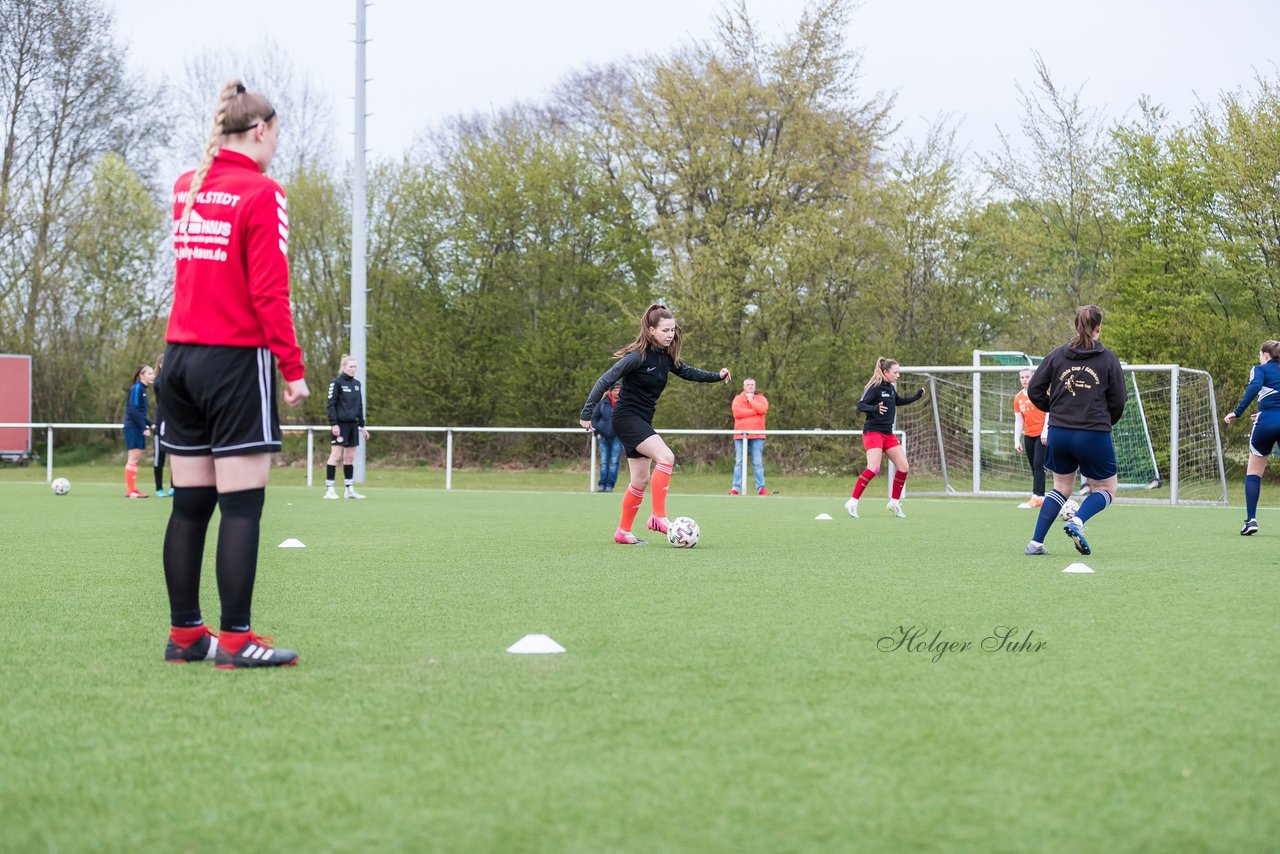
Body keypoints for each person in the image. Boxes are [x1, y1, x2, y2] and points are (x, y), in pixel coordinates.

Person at [158, 80, 309, 669]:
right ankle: (239, 641)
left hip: (181, 361)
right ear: (261, 131)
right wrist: (291, 370)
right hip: (233, 361)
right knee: (242, 507)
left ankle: (187, 637)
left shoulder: (185, 189)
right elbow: (269, 292)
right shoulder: (263, 193)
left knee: (190, 506)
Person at [579, 303, 730, 544]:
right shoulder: (636, 357)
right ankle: (658, 517)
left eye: (673, 330)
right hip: (627, 418)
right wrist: (587, 412)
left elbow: (689, 372)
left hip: (641, 419)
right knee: (666, 457)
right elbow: (605, 379)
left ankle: (623, 532)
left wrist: (717, 376)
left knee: (639, 480)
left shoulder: (665, 357)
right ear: (651, 330)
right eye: (665, 330)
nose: (670, 334)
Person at [1023, 305, 1126, 557]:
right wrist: (1104, 421)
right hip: (1094, 433)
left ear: (1075, 326)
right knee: (1106, 488)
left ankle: (1036, 543)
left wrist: (1055, 409)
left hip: (1059, 432)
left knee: (1060, 488)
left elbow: (1035, 388)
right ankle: (1077, 522)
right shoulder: (1108, 359)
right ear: (1099, 328)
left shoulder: (1057, 356)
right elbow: (1119, 400)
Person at [845, 358, 924, 519]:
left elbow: (898, 401)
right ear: (885, 372)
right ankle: (852, 502)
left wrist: (916, 397)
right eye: (895, 372)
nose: (898, 375)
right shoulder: (874, 388)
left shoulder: (890, 388)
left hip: (888, 434)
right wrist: (874, 408)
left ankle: (894, 502)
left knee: (903, 467)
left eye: (898, 372)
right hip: (873, 432)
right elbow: (860, 405)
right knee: (873, 468)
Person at [1223, 340, 1280, 536]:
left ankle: (1251, 520)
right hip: (1270, 416)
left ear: (1265, 354)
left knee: (1254, 473)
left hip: (1265, 423)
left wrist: (1237, 412)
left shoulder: (1260, 369)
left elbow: (1255, 387)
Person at [323, 355, 369, 500]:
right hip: (340, 425)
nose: (353, 369)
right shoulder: (336, 383)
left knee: (349, 457)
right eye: (351, 366)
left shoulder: (357, 384)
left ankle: (349, 490)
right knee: (335, 456)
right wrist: (334, 424)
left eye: (355, 366)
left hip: (353, 425)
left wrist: (362, 425)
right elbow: (331, 405)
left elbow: (359, 406)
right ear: (344, 367)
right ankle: (329, 490)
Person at [1012, 367, 1048, 508]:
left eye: (1027, 377)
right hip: (1028, 435)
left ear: (1033, 377)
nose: (1025, 380)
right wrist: (1017, 440)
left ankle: (1035, 497)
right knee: (1034, 466)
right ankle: (1041, 497)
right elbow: (1019, 420)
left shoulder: (1042, 393)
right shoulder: (1018, 398)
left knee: (1039, 465)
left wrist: (1045, 432)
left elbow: (1049, 414)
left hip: (1042, 435)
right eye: (1022, 377)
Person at [729, 377, 769, 495]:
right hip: (740, 436)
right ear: (744, 386)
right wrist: (754, 412)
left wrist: (751, 401)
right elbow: (737, 413)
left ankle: (761, 488)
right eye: (748, 385)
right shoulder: (738, 399)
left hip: (757, 435)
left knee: (757, 463)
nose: (750, 386)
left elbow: (763, 409)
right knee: (739, 462)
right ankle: (736, 488)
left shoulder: (761, 398)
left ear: (755, 386)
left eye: (752, 384)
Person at [123, 365, 155, 498]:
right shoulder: (136, 388)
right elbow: (133, 410)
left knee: (136, 458)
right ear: (141, 375)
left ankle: (132, 489)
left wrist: (151, 424)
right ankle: (130, 491)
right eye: (149, 373)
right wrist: (144, 427)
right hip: (133, 427)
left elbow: (140, 413)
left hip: (137, 426)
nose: (153, 375)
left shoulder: (143, 390)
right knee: (133, 458)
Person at [591, 382, 623, 493]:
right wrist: (596, 433)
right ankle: (602, 485)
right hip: (603, 437)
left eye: (620, 390)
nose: (618, 392)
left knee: (614, 462)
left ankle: (610, 486)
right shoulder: (603, 403)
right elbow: (595, 418)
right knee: (604, 462)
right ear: (610, 391)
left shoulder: (625, 403)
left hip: (618, 437)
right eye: (616, 390)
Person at [152, 353, 171, 497]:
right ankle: (159, 488)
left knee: (177, 457)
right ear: (160, 364)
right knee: (160, 457)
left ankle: (174, 487)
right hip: (161, 425)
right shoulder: (158, 382)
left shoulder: (174, 380)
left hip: (174, 424)